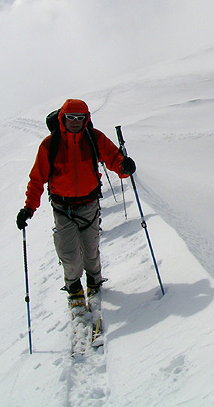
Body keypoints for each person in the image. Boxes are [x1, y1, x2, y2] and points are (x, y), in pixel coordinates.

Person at [16, 99, 136, 309]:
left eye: (80, 118)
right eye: (70, 117)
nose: (75, 121)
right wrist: (29, 208)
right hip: (63, 208)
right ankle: (74, 288)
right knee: (69, 255)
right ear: (62, 118)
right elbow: (37, 179)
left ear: (86, 119)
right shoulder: (50, 144)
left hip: (89, 204)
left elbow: (113, 159)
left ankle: (94, 282)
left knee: (91, 250)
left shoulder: (94, 138)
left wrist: (124, 167)